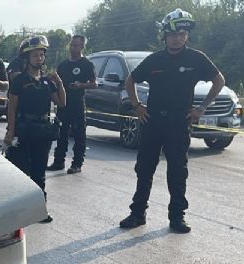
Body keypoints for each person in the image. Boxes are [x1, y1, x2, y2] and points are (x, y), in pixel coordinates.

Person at [118, 8, 225, 233]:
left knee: (177, 170)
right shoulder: (155, 59)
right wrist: (137, 106)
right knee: (144, 169)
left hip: (179, 122)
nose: (177, 38)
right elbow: (130, 81)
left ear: (187, 36)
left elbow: (219, 81)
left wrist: (202, 108)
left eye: (182, 34)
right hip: (153, 121)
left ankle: (177, 217)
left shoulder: (197, 59)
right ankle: (138, 213)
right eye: (173, 34)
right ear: (165, 35)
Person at [5, 35, 66, 223]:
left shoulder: (48, 81)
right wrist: (10, 131)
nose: (39, 58)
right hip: (23, 130)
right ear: (26, 58)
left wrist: (60, 82)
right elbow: (12, 107)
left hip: (42, 131)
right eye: (35, 55)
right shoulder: (19, 81)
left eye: (41, 55)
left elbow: (62, 102)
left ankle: (40, 210)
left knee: (39, 172)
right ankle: (19, 211)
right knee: (21, 171)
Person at [48, 34, 96, 174]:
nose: (73, 48)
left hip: (77, 104)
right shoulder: (64, 65)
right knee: (61, 133)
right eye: (72, 45)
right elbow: (56, 83)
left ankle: (77, 164)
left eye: (76, 45)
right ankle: (58, 161)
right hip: (63, 105)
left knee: (79, 134)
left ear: (81, 47)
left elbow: (94, 84)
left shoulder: (86, 64)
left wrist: (81, 85)